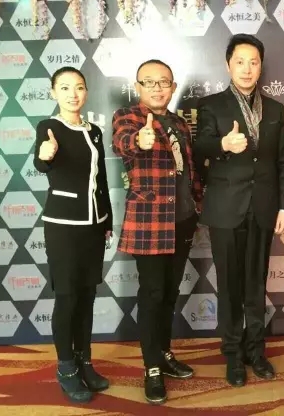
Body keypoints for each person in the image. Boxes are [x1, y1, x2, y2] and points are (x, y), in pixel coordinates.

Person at [194, 34, 284, 387]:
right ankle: (233, 355)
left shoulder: (276, 110)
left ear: (261, 66)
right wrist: (222, 143)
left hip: (263, 208)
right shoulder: (212, 105)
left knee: (255, 284)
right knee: (230, 286)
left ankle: (256, 351)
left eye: (254, 62)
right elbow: (199, 146)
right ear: (228, 65)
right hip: (226, 209)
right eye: (240, 62)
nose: (247, 69)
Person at [112, 59, 203, 405]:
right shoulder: (128, 117)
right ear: (138, 87)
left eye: (163, 82)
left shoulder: (180, 123)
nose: (157, 88)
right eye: (149, 82)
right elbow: (123, 142)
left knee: (168, 293)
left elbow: (189, 168)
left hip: (183, 220)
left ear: (173, 86)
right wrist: (141, 139)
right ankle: (151, 367)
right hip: (150, 223)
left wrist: (198, 204)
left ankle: (164, 354)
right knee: (152, 295)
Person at [34, 66, 112, 403]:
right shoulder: (49, 127)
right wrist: (44, 156)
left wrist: (107, 219)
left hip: (94, 224)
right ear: (53, 92)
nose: (73, 94)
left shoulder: (94, 131)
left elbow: (101, 177)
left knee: (87, 296)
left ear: (86, 92)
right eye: (64, 88)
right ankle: (66, 368)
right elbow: (42, 161)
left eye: (79, 87)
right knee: (67, 297)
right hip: (63, 225)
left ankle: (85, 362)